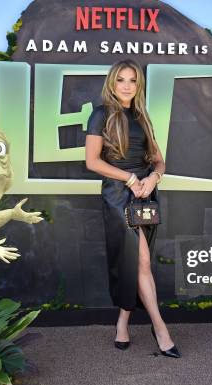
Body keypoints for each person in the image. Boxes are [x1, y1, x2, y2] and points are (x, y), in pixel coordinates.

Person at [85, 59, 180, 358]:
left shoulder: (142, 116)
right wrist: (129, 177)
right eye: (121, 80)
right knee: (140, 259)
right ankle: (160, 329)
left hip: (145, 194)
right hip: (118, 194)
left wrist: (152, 177)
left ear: (139, 85)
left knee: (136, 263)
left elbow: (159, 160)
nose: (126, 86)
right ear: (112, 83)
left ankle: (123, 323)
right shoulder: (100, 114)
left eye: (132, 81)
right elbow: (92, 161)